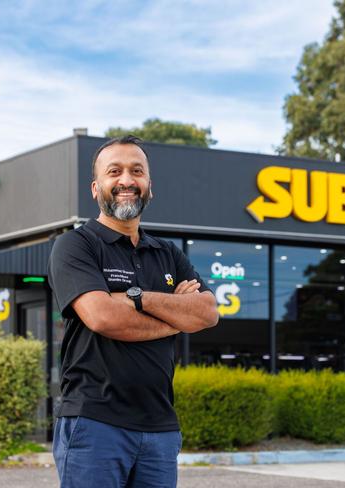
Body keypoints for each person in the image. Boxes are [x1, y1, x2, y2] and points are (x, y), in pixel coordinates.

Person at [48, 135, 219, 488]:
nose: (127, 180)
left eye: (136, 171)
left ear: (149, 187)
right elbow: (103, 317)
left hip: (160, 427)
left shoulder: (167, 252)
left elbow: (206, 313)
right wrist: (176, 317)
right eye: (115, 172)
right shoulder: (76, 246)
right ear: (97, 188)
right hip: (95, 422)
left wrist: (136, 297)